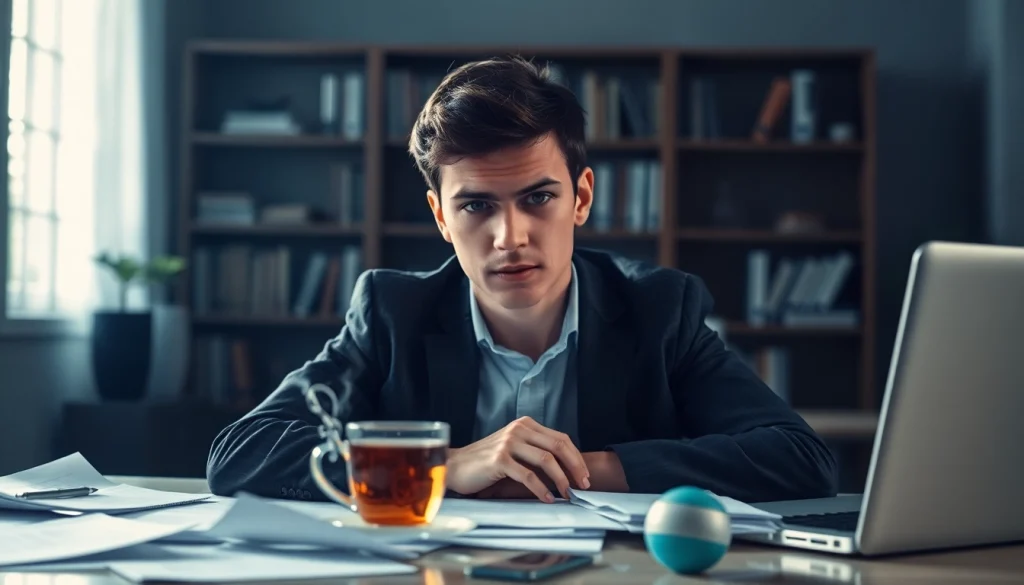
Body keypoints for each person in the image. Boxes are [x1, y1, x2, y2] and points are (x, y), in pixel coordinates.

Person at [206, 55, 837, 505]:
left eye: (538, 198)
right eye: (477, 206)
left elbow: (800, 459)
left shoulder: (659, 308)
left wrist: (586, 469)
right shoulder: (393, 311)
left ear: (581, 197)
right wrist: (444, 466)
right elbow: (241, 453)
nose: (510, 236)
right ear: (440, 218)